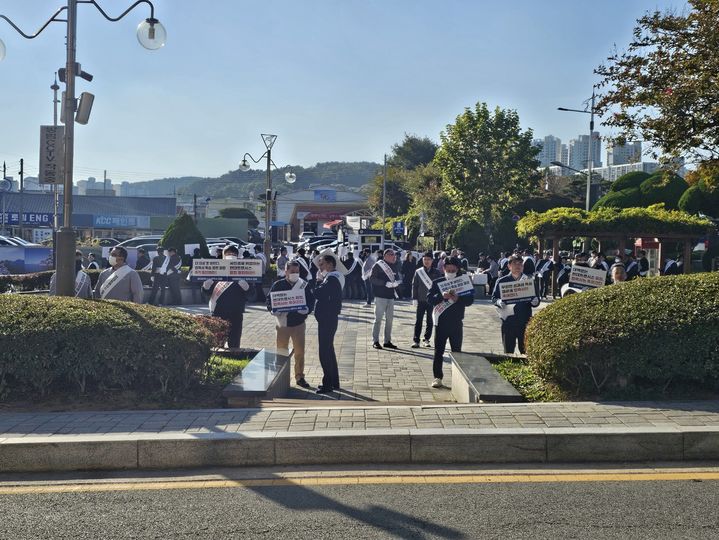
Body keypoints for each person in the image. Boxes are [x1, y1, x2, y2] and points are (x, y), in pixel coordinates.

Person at [426, 257, 475, 388]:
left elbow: (470, 300)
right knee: (438, 351)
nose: (451, 272)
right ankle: (437, 377)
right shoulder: (437, 282)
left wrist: (459, 298)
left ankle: (457, 379)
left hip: (457, 322)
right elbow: (430, 299)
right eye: (448, 270)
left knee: (457, 352)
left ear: (457, 270)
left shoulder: (463, 282)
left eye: (453, 270)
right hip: (441, 322)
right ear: (444, 269)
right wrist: (441, 296)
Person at [266, 260, 314, 388]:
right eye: (292, 271)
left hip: (298, 324)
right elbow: (269, 300)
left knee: (299, 352)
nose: (295, 274)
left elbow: (311, 301)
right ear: (286, 271)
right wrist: (272, 310)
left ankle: (300, 376)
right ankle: (280, 377)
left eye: (297, 272)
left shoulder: (304, 285)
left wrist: (307, 309)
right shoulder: (278, 285)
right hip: (282, 324)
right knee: (281, 351)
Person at [202, 245, 249, 350]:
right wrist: (205, 286)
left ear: (237, 256)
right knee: (217, 344)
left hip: (236, 313)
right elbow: (206, 293)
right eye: (228, 254)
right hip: (218, 313)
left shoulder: (244, 271)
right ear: (223, 256)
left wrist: (247, 288)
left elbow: (251, 294)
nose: (231, 256)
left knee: (234, 344)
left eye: (233, 254)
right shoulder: (215, 270)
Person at [492, 255, 540, 355]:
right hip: (508, 321)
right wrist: (499, 302)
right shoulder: (501, 281)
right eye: (515, 263)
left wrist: (535, 301)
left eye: (520, 264)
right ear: (509, 266)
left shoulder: (529, 281)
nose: (518, 266)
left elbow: (536, 299)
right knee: (508, 352)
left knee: (525, 351)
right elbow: (494, 298)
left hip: (525, 321)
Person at [313, 252, 346, 394]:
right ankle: (334, 381)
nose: (320, 267)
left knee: (324, 352)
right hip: (329, 318)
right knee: (329, 350)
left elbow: (319, 294)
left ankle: (328, 384)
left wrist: (318, 282)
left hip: (327, 318)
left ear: (330, 265)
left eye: (322, 264)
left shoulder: (332, 278)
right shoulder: (334, 277)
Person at [370, 249, 401, 350]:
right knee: (378, 319)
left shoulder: (395, 266)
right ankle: (375, 341)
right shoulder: (378, 265)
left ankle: (387, 341)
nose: (394, 257)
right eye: (391, 255)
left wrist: (397, 283)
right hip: (380, 296)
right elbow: (372, 279)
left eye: (394, 255)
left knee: (390, 320)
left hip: (390, 296)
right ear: (385, 256)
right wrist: (384, 283)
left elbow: (397, 278)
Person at [411, 251, 441, 348]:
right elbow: (414, 286)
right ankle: (416, 340)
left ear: (432, 260)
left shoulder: (437, 272)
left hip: (431, 301)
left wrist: (438, 298)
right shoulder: (418, 271)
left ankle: (426, 339)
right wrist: (414, 298)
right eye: (425, 259)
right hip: (420, 299)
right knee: (418, 320)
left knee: (430, 321)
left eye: (428, 259)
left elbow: (440, 286)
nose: (426, 261)